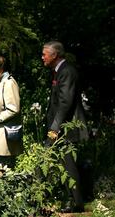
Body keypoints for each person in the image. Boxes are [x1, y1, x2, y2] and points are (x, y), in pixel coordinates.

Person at [42, 41, 89, 212]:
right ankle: (65, 200)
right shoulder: (58, 72)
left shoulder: (67, 71)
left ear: (54, 55)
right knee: (57, 162)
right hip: (60, 127)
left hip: (66, 128)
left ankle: (75, 203)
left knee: (67, 164)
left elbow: (65, 103)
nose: (42, 57)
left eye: (44, 54)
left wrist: (54, 128)